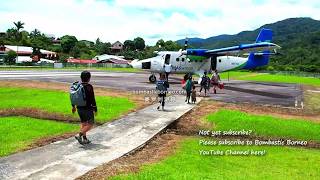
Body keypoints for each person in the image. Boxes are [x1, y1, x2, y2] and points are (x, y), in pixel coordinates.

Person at [73, 71, 97, 144]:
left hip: (79, 108)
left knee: (84, 123)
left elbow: (73, 97)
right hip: (87, 108)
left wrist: (73, 106)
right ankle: (79, 134)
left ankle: (85, 139)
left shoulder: (77, 86)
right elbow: (92, 98)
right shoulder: (89, 87)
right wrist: (95, 108)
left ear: (81, 77)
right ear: (89, 78)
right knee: (90, 123)